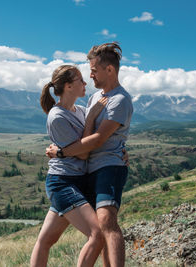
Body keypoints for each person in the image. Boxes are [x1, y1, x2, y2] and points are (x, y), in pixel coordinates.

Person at [46, 42, 133, 267]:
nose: (90, 75)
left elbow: (96, 139)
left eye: (93, 70)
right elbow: (85, 132)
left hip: (109, 166)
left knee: (106, 221)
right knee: (99, 230)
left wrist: (62, 152)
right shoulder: (95, 99)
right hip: (89, 170)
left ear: (109, 70)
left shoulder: (119, 100)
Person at [30, 65, 108, 267]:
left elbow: (97, 141)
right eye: (80, 80)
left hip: (77, 181)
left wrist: (120, 151)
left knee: (46, 240)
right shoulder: (57, 117)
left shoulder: (80, 111)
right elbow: (82, 153)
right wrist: (91, 118)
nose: (85, 83)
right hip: (63, 183)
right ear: (68, 86)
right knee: (97, 234)